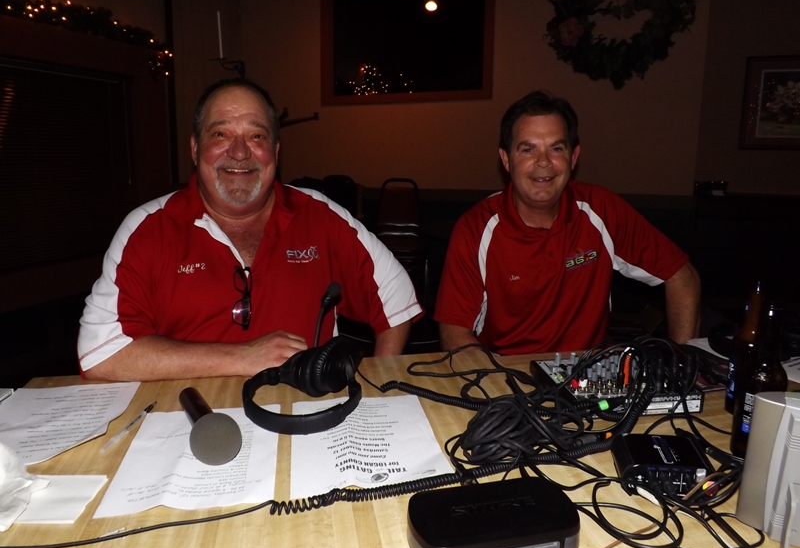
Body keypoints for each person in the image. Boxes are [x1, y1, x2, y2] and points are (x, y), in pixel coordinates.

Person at [78, 78, 421, 381]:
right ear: (195, 149)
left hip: (301, 413)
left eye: (256, 136)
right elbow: (101, 354)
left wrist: (380, 386)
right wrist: (243, 358)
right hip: (188, 417)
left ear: (275, 151)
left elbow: (396, 296)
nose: (240, 152)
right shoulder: (147, 228)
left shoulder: (320, 215)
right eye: (221, 134)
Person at [435, 90, 700, 355]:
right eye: (527, 149)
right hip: (505, 372)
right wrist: (496, 379)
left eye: (556, 148)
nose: (543, 162)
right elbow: (454, 332)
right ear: (506, 159)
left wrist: (682, 365)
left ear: (573, 158)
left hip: (587, 373)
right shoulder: (475, 227)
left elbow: (682, 276)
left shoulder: (602, 210)